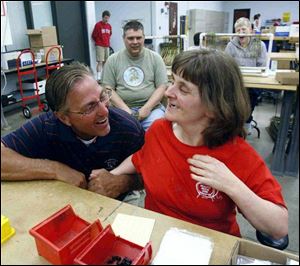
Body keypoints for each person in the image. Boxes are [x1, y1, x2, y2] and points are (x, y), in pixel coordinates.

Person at [97, 49, 288, 240]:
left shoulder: (237, 153)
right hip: (157, 240)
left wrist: (231, 185)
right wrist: (109, 177)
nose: (168, 92)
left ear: (214, 106)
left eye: (183, 88)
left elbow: (278, 227)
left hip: (210, 248)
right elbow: (141, 157)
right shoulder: (159, 130)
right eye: (172, 82)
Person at [1, 62, 145, 201]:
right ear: (64, 118)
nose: (104, 111)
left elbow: (154, 174)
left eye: (102, 97)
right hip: (64, 199)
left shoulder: (128, 128)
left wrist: (122, 182)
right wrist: (54, 169)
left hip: (120, 200)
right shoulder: (46, 127)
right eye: (90, 107)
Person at [102, 20, 168, 131]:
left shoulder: (155, 58)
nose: (135, 41)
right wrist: (127, 112)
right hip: (121, 110)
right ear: (124, 39)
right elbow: (108, 89)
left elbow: (162, 87)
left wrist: (146, 109)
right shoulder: (113, 60)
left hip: (152, 110)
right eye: (130, 38)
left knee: (157, 129)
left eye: (139, 38)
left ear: (144, 38)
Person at [225, 17, 267, 134]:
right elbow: (227, 64)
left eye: (243, 29)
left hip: (253, 84)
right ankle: (235, 129)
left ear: (251, 31)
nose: (240, 33)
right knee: (233, 108)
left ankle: (245, 126)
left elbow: (262, 66)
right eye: (237, 30)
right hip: (236, 83)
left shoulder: (258, 44)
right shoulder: (231, 45)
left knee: (247, 109)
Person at [92, 10, 112, 81]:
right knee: (100, 61)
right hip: (100, 45)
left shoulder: (109, 26)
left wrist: (107, 42)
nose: (107, 19)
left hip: (107, 45)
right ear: (102, 17)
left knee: (106, 62)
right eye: (105, 18)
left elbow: (110, 35)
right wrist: (98, 42)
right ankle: (99, 77)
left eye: (108, 18)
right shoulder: (98, 25)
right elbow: (94, 35)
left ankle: (105, 76)